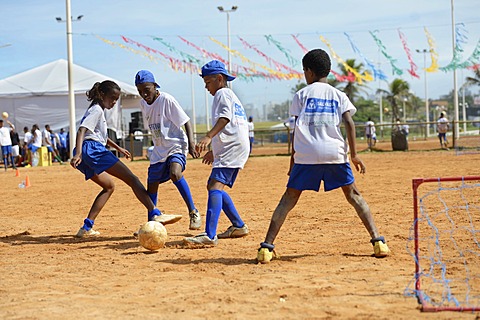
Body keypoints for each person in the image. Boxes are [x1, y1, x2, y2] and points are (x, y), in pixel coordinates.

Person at [256, 49, 390, 264]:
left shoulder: (301, 95)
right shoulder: (339, 95)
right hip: (334, 153)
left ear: (308, 72)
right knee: (353, 195)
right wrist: (354, 155)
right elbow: (349, 123)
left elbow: (297, 130)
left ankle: (266, 248)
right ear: (328, 70)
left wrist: (293, 161)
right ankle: (378, 241)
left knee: (289, 198)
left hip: (306, 154)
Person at [70, 80, 181, 238]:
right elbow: (82, 131)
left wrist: (118, 148)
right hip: (92, 150)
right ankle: (155, 212)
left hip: (89, 151)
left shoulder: (96, 109)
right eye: (112, 98)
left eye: (116, 99)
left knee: (109, 186)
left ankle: (86, 227)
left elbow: (98, 135)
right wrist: (78, 154)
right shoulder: (96, 110)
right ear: (102, 94)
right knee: (132, 179)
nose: (114, 102)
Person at [183, 60, 250, 246]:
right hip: (233, 146)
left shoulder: (222, 93)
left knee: (214, 187)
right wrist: (214, 150)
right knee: (214, 186)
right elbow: (231, 124)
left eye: (208, 82)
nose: (206, 87)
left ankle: (210, 235)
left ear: (219, 79)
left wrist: (208, 137)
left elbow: (225, 118)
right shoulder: (228, 95)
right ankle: (238, 225)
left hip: (232, 148)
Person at [134, 70, 201, 230]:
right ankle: (152, 221)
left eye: (147, 89)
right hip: (159, 149)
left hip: (176, 145)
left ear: (155, 86)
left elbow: (186, 121)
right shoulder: (143, 104)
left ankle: (193, 211)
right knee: (152, 184)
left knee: (175, 173)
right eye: (140, 91)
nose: (144, 94)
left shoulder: (166, 99)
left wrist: (191, 144)